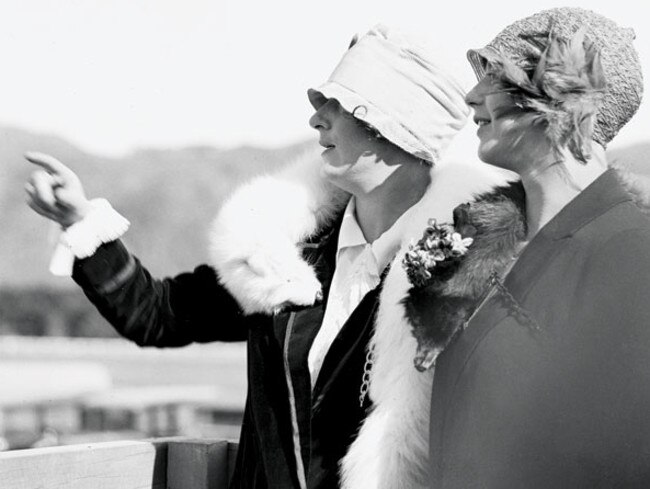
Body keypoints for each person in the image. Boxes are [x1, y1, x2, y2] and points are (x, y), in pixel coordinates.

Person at [24, 25, 506, 489]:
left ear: (394, 124)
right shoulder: (280, 256)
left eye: (337, 105)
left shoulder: (470, 268)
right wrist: (79, 219)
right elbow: (158, 314)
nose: (317, 119)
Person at [400, 7, 650, 488]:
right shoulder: (480, 242)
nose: (471, 94)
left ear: (559, 98)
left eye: (494, 76)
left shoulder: (628, 254)